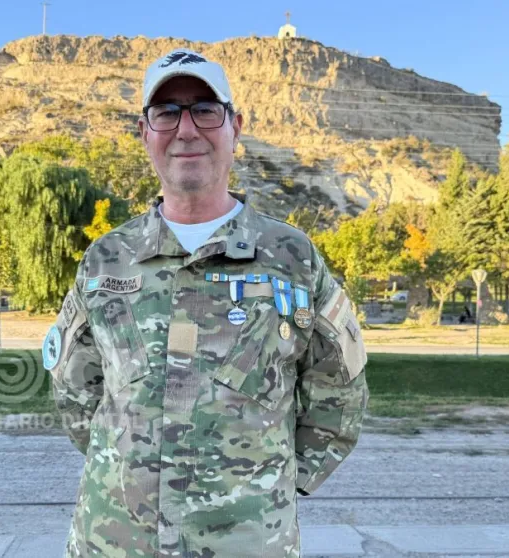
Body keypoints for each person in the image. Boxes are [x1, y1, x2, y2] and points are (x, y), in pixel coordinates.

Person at [43, 49, 368, 557]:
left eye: (205, 110)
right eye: (167, 112)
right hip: (116, 542)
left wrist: (272, 486)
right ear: (144, 132)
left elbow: (338, 391)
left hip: (247, 543)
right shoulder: (105, 260)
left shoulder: (292, 258)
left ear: (235, 126)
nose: (186, 129)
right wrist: (126, 464)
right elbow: (74, 392)